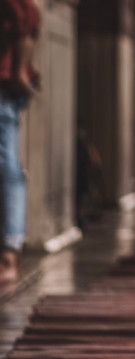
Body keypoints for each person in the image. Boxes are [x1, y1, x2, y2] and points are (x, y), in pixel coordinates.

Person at [0, 0, 39, 284]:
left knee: (8, 168)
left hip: (4, 85)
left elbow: (23, 28)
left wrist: (17, 75)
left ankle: (9, 254)